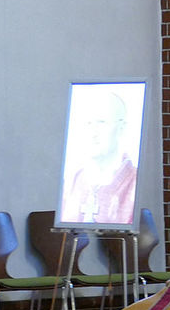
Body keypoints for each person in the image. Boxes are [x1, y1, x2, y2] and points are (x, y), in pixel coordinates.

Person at [59, 89, 137, 225]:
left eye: (101, 122)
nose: (93, 132)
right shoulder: (71, 182)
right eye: (88, 123)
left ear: (121, 128)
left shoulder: (136, 182)